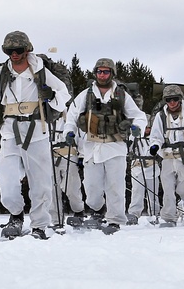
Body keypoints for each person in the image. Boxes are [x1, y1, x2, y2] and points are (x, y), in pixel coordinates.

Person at [0, 31, 71, 239]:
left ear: (27, 50)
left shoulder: (42, 70)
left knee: (41, 182)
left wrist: (51, 95)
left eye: (18, 50)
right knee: (4, 175)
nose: (14, 54)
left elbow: (63, 93)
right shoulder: (2, 72)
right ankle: (16, 215)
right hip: (10, 130)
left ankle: (40, 225)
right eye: (9, 51)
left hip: (37, 129)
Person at [63, 58, 147, 234]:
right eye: (99, 71)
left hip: (115, 146)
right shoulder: (86, 95)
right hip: (92, 146)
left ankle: (115, 220)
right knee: (91, 189)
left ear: (112, 73)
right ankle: (97, 210)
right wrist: (69, 132)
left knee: (115, 187)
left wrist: (136, 127)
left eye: (106, 71)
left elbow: (138, 115)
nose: (102, 75)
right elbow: (71, 116)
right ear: (95, 73)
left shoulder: (122, 95)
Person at [147, 84, 184, 227]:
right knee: (167, 189)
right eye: (168, 100)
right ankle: (168, 217)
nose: (172, 103)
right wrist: (154, 146)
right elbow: (156, 135)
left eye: (174, 99)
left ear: (180, 99)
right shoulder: (161, 116)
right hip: (168, 156)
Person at [51, 115, 86, 229]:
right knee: (52, 189)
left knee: (72, 186)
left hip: (69, 154)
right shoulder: (44, 117)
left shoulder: (71, 117)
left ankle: (78, 211)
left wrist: (82, 156)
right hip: (50, 155)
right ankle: (57, 220)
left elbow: (81, 137)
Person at [126, 109, 159, 225]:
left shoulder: (155, 137)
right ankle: (134, 214)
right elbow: (127, 149)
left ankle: (155, 214)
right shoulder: (134, 137)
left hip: (151, 167)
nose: (147, 130)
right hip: (137, 167)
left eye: (149, 127)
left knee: (153, 193)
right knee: (137, 193)